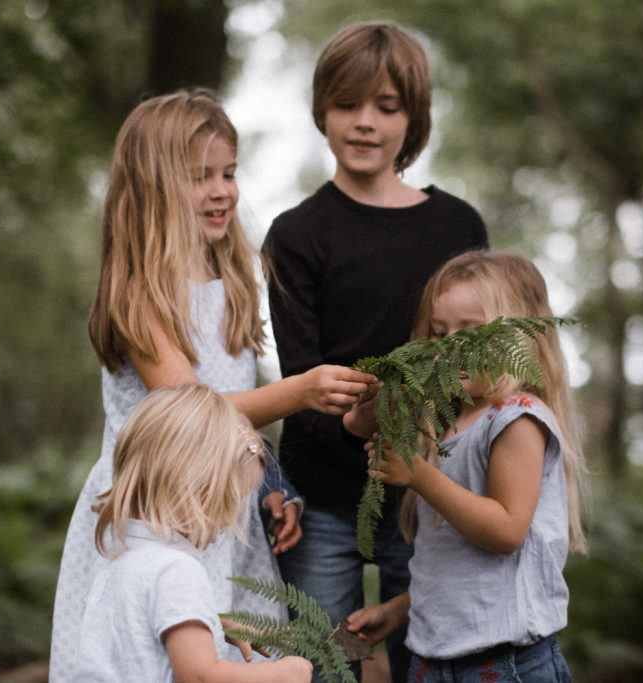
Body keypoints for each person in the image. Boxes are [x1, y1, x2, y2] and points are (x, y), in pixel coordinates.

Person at [51, 88, 377, 681]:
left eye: (228, 173)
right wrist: (299, 392)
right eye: (200, 177)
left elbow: (238, 425)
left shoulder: (232, 283)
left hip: (221, 511)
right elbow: (194, 411)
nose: (222, 190)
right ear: (153, 188)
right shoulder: (141, 294)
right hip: (156, 512)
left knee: (230, 653)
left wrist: (268, 484)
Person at [262, 21, 488, 682]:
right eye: (347, 104)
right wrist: (353, 425)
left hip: (428, 497)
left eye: (386, 107)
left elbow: (475, 363)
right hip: (322, 503)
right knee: (329, 663)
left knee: (430, 663)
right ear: (322, 111)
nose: (364, 122)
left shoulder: (458, 227)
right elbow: (299, 380)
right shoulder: (296, 235)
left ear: (413, 119)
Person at [345, 250, 588, 682]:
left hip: (506, 663)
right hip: (432, 659)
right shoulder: (442, 422)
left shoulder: (516, 417)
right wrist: (400, 610)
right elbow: (459, 566)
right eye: (438, 334)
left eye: (470, 332)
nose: (450, 347)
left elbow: (506, 532)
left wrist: (420, 476)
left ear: (518, 339)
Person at [75, 384, 314, 682]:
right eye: (230, 503)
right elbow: (200, 676)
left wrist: (213, 622)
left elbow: (140, 625)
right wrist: (281, 673)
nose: (229, 522)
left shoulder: (120, 552)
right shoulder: (176, 570)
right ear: (195, 490)